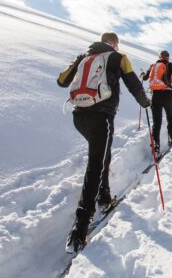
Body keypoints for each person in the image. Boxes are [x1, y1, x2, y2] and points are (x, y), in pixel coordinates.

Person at [57, 32, 150, 253]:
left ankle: (104, 197)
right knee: (96, 164)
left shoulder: (84, 57)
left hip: (79, 116)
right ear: (115, 43)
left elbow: (62, 81)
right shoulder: (119, 57)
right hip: (102, 116)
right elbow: (134, 84)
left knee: (102, 155)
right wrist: (145, 102)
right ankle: (79, 229)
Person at [142, 50, 172, 156]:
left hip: (155, 96)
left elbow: (145, 77)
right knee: (170, 118)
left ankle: (156, 147)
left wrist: (143, 74)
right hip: (168, 96)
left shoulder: (153, 65)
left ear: (159, 57)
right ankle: (171, 138)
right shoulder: (170, 65)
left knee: (157, 122)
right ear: (168, 58)